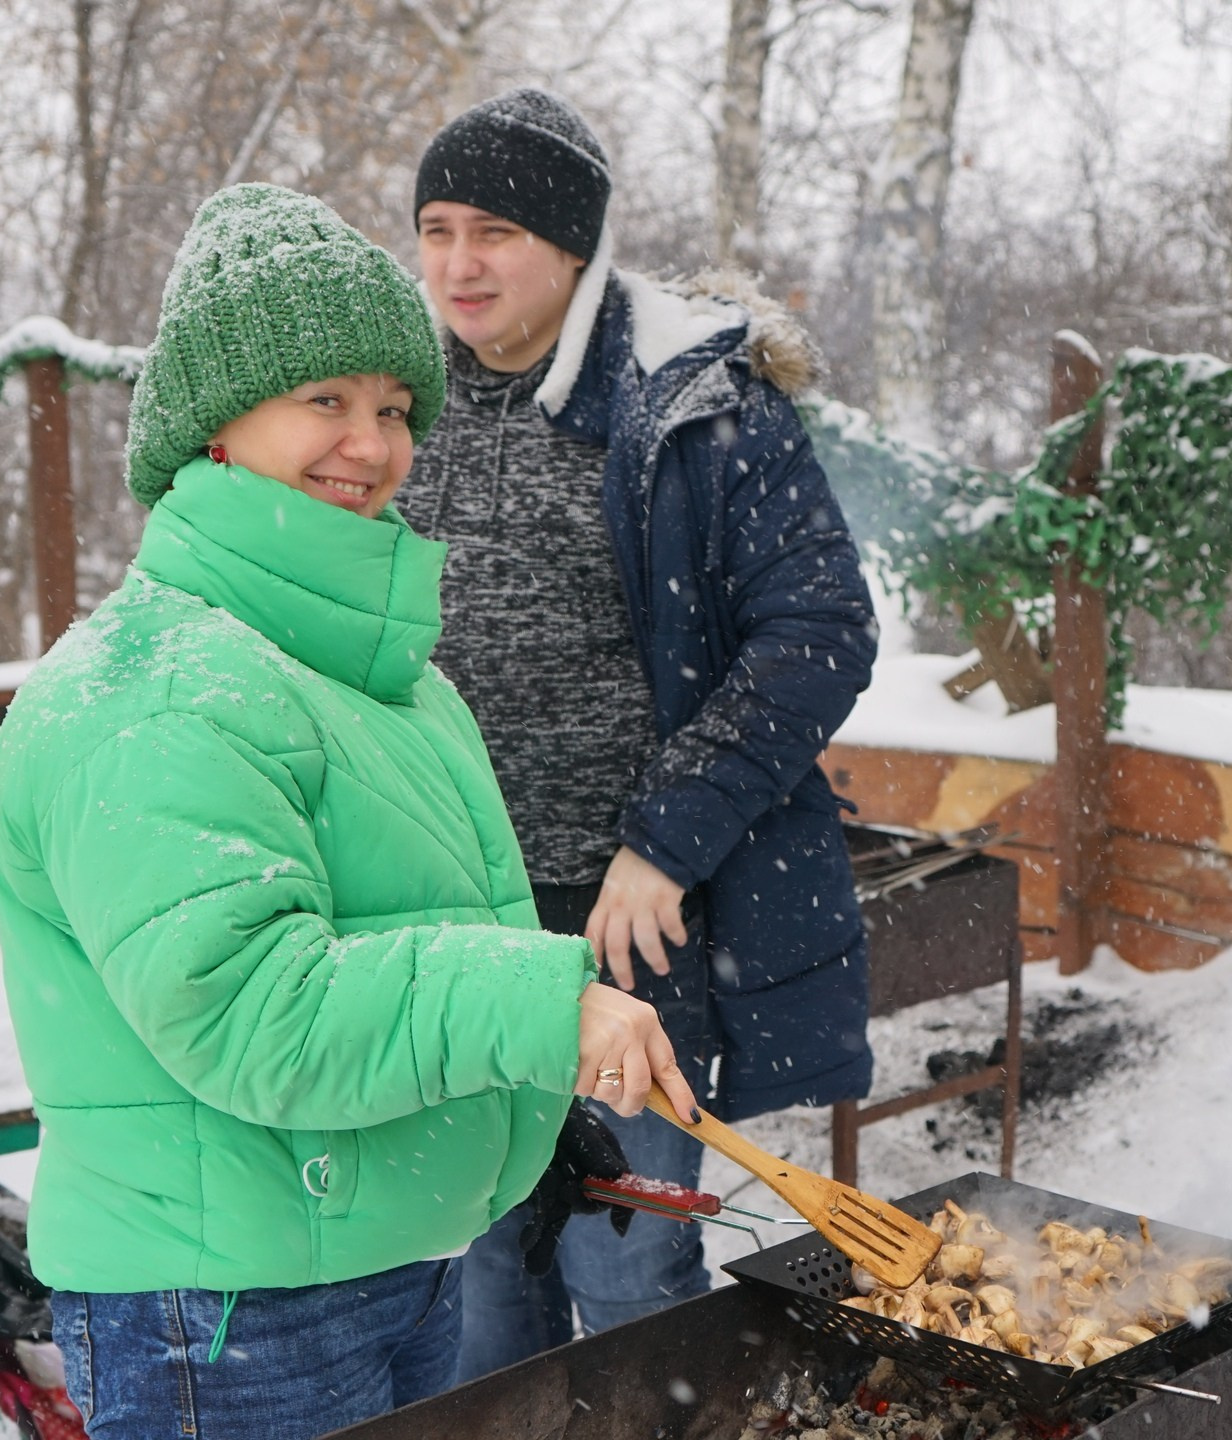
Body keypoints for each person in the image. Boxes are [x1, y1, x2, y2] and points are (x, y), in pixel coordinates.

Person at [0, 183, 697, 1437]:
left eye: (392, 407)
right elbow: (257, 1010)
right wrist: (542, 1005)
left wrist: (521, 1113)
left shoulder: (368, 674)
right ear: (213, 427)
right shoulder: (158, 689)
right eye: (323, 401)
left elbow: (399, 938)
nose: (370, 445)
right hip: (228, 1311)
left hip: (370, 1266)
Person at [393, 89, 879, 1379]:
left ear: (571, 243)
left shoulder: (697, 402)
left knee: (626, 1266)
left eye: (491, 230)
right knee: (480, 1269)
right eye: (435, 228)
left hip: (628, 924)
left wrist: (665, 842)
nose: (456, 263)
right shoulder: (392, 406)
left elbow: (819, 630)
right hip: (452, 918)